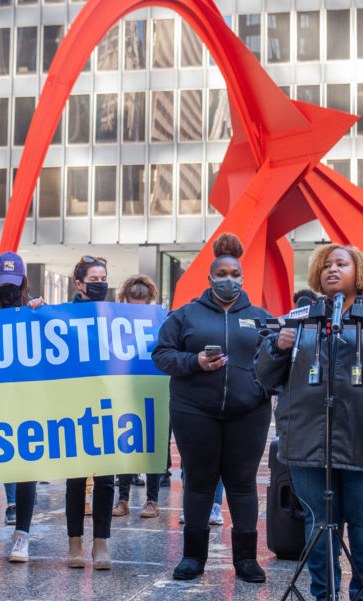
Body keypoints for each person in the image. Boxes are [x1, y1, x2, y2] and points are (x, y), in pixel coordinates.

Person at [255, 244, 363, 601]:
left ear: (358, 271)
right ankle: (323, 594)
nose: (332, 270)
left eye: (340, 264)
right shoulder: (299, 318)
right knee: (317, 524)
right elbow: (265, 378)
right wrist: (276, 348)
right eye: (325, 265)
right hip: (308, 443)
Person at [152, 233, 272, 583]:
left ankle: (246, 560)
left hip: (249, 412)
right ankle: (192, 557)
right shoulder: (185, 314)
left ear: (243, 278)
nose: (229, 280)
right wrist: (194, 362)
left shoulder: (260, 316)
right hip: (194, 411)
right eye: (222, 274)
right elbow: (161, 354)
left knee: (243, 484)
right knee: (199, 483)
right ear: (210, 279)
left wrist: (260, 386)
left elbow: (276, 361)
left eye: (235, 274)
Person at [0, 252, 44, 564]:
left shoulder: (34, 311)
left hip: (24, 400)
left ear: (23, 282)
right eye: (3, 284)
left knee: (25, 470)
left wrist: (39, 314)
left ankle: (21, 537)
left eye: (13, 284)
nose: (8, 289)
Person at [64, 256, 116, 570]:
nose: (99, 283)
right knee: (76, 477)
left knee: (106, 477)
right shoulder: (61, 314)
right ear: (79, 284)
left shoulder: (115, 314)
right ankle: (74, 542)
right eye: (93, 278)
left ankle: (101, 542)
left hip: (109, 403)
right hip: (73, 403)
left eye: (103, 278)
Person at [113, 275, 164, 520]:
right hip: (127, 389)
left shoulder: (161, 321)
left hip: (154, 389)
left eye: (141, 305)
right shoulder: (114, 321)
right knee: (125, 444)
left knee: (153, 446)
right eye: (132, 304)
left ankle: (152, 500)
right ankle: (123, 498)